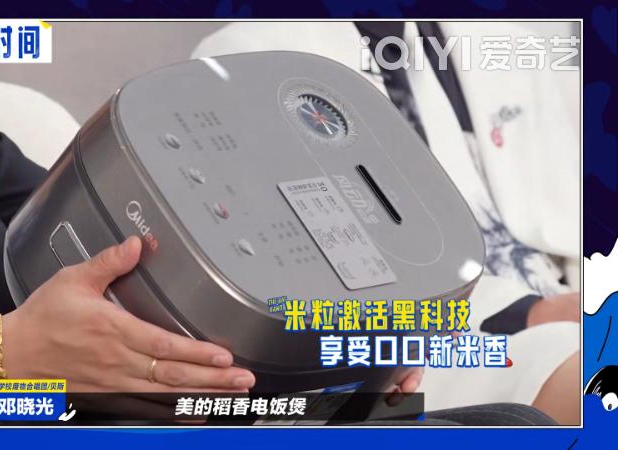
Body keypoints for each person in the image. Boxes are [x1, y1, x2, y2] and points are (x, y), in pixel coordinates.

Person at [0, 61, 556, 427]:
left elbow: (26, 204)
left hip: (94, 403)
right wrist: (8, 355)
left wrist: (336, 342)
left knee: (509, 424)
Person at [191, 21, 581, 424]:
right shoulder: (252, 54)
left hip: (555, 296)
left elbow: (568, 208)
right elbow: (305, 272)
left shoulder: (499, 39)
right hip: (409, 346)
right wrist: (528, 311)